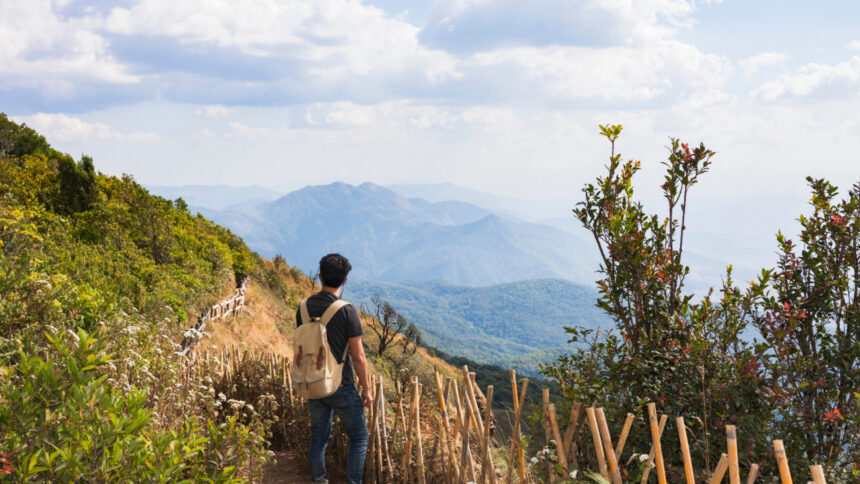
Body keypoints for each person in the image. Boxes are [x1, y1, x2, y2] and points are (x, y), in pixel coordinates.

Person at [296, 253, 372, 484]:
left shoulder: (303, 308)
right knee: (359, 438)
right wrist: (366, 390)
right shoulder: (348, 310)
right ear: (346, 279)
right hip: (342, 384)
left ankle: (319, 481)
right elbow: (358, 357)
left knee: (318, 436)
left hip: (314, 382)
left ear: (319, 276)